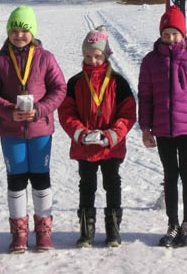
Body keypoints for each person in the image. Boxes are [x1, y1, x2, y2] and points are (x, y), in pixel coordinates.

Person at [0, 6, 66, 253]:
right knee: (16, 180)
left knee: (41, 179)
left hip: (40, 130)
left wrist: (40, 110)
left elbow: (59, 89)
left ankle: (43, 232)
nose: (19, 35)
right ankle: (19, 233)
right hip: (11, 131)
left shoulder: (45, 57)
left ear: (33, 32)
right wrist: (10, 111)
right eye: (14, 30)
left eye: (24, 30)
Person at [138, 5, 187, 247]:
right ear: (160, 34)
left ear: (184, 34)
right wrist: (146, 128)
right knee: (170, 175)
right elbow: (145, 96)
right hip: (162, 129)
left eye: (175, 33)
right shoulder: (151, 61)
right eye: (166, 33)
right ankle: (172, 224)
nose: (170, 39)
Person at [58, 26, 136, 248]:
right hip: (85, 147)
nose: (92, 60)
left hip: (111, 146)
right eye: (88, 56)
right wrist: (81, 134)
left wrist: (112, 135)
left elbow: (128, 114)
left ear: (105, 55)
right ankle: (86, 231)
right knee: (86, 185)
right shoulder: (74, 83)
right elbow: (66, 113)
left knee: (112, 184)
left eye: (97, 56)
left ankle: (113, 230)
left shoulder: (118, 82)